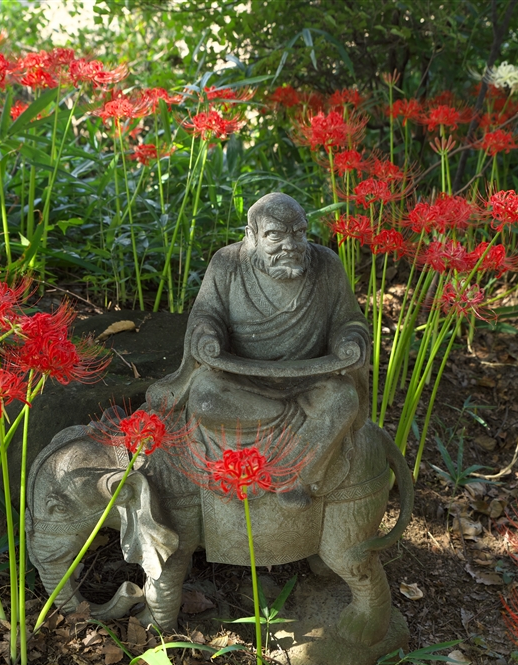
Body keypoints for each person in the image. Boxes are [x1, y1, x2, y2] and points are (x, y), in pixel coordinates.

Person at [147, 193, 371, 508]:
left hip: (310, 380)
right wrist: (207, 337)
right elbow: (207, 316)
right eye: (275, 235)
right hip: (241, 381)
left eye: (299, 233)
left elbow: (348, 320)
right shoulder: (227, 264)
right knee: (205, 397)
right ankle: (294, 428)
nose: (290, 245)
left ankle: (295, 475)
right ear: (251, 236)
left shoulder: (327, 265)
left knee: (344, 399)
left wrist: (350, 341)